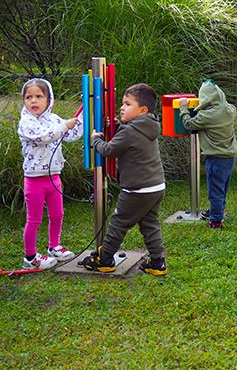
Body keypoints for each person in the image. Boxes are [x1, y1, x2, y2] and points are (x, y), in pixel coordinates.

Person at [82, 83, 167, 275]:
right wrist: (118, 126)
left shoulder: (129, 132)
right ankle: (157, 263)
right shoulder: (149, 127)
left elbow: (110, 150)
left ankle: (105, 260)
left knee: (119, 223)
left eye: (127, 104)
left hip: (136, 189)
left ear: (142, 110)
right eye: (122, 103)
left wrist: (95, 139)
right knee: (150, 224)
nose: (122, 107)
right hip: (156, 186)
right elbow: (130, 140)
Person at [18, 78, 82, 270]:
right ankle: (30, 257)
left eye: (39, 96)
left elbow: (71, 134)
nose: (33, 101)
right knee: (34, 219)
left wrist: (82, 117)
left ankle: (54, 246)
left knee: (57, 214)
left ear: (49, 99)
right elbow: (44, 136)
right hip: (34, 180)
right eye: (29, 97)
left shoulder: (53, 119)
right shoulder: (26, 122)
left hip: (54, 177)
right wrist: (65, 125)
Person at [178, 79, 237, 229]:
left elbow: (188, 124)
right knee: (222, 188)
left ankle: (216, 221)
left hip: (216, 158)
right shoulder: (230, 110)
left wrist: (183, 107)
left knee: (215, 191)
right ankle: (217, 212)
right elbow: (222, 102)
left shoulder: (207, 116)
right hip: (229, 157)